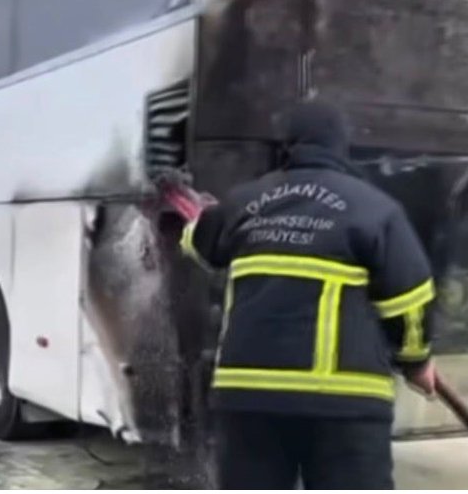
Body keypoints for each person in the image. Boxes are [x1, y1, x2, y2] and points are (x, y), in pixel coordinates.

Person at [177, 100, 437, 489]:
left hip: (249, 401)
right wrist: (416, 363)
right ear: (342, 147)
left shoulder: (244, 201)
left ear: (288, 145)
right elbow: (409, 302)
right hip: (345, 405)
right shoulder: (376, 210)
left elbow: (195, 244)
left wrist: (206, 215)